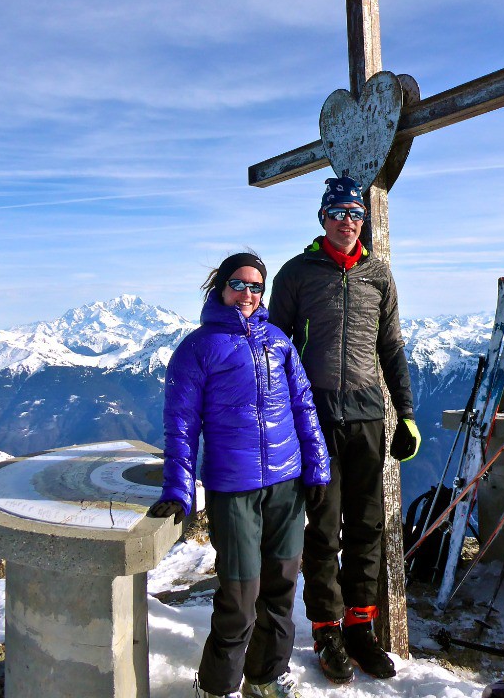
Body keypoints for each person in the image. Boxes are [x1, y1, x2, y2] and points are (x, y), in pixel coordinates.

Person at [150, 252, 331, 698]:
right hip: (233, 487)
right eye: (239, 284)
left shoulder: (278, 341)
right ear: (220, 287)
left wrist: (318, 469)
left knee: (282, 589)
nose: (247, 294)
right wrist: (178, 488)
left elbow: (304, 408)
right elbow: (182, 426)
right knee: (239, 596)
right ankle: (217, 686)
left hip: (287, 483)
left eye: (256, 287)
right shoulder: (196, 349)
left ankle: (265, 677)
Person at [268, 177, 420, 683]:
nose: (347, 221)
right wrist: (276, 414)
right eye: (338, 213)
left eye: (355, 214)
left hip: (367, 417)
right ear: (322, 218)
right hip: (314, 418)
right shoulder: (296, 273)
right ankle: (327, 630)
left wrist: (408, 413)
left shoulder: (379, 273)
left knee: (367, 526)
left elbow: (392, 348)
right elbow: (275, 348)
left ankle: (361, 627)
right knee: (324, 527)